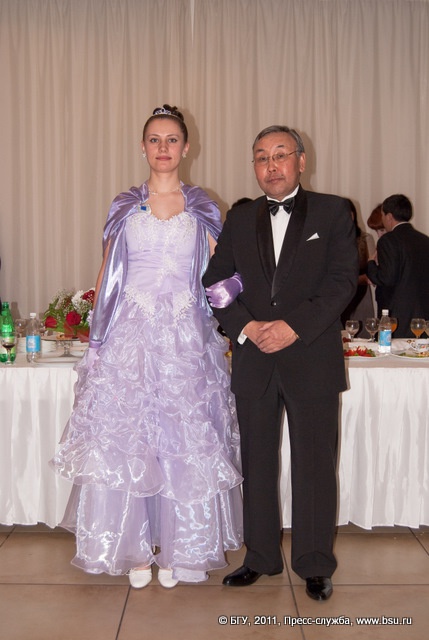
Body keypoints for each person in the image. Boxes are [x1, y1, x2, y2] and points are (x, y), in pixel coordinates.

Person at [50, 105, 243, 589]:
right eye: (154, 140)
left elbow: (223, 272)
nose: (163, 148)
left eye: (172, 139)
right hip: (130, 335)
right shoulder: (124, 205)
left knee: (183, 437)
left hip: (185, 334)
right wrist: (97, 336)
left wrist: (238, 306)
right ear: (142, 147)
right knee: (130, 437)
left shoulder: (203, 207)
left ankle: (183, 547)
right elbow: (108, 271)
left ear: (186, 147)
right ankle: (132, 550)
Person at [203, 125, 358, 601]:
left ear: (301, 160)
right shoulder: (239, 217)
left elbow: (342, 281)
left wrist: (293, 326)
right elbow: (215, 282)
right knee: (256, 463)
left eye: (280, 154)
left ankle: (315, 562)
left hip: (311, 356)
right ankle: (261, 557)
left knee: (314, 466)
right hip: (255, 359)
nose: (271, 165)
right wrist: (247, 327)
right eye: (261, 157)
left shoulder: (334, 211)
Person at [367, 194, 429, 337]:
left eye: (382, 215)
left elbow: (386, 278)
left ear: (389, 216)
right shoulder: (425, 240)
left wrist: (371, 264)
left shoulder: (388, 240)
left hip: (397, 318)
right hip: (423, 318)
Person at [341, 199, 375, 333]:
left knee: (362, 331)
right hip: (338, 292)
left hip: (361, 293)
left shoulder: (365, 238)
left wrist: (358, 280)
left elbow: (372, 270)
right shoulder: (330, 238)